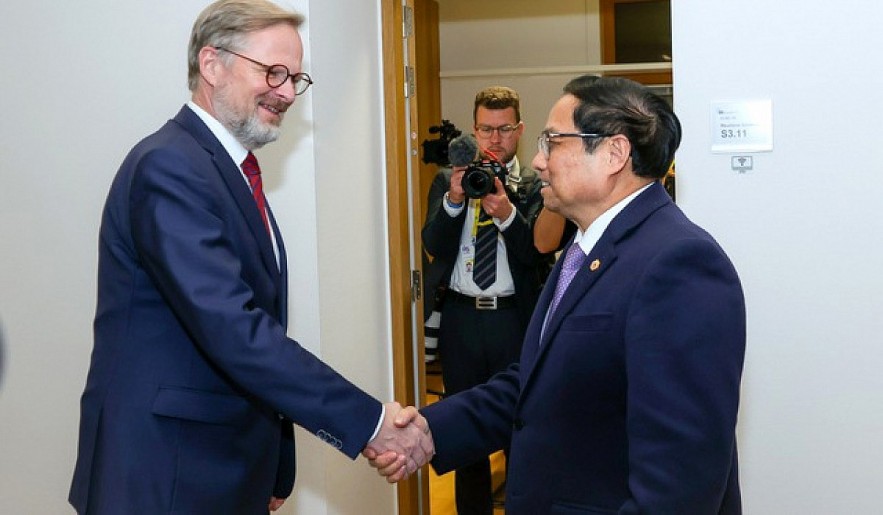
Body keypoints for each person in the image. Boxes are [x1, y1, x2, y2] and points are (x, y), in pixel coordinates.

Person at [68, 1, 432, 513]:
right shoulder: (170, 167)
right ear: (212, 64)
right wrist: (370, 422)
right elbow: (233, 330)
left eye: (296, 78)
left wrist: (275, 464)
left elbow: (256, 328)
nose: (286, 92)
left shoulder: (226, 170)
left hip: (219, 467)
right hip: (165, 473)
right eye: (274, 72)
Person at [372, 76, 747, 514]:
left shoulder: (679, 264)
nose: (538, 160)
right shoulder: (587, 249)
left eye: (552, 142)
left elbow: (679, 481)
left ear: (613, 153)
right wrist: (429, 429)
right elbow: (537, 383)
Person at [421, 86, 544, 514]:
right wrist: (456, 198)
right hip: (461, 321)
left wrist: (505, 210)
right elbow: (433, 244)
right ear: (474, 130)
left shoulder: (533, 182)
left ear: (519, 130)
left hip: (514, 320)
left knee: (520, 430)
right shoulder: (447, 179)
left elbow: (534, 253)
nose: (495, 138)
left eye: (504, 129)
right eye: (486, 129)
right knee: (465, 432)